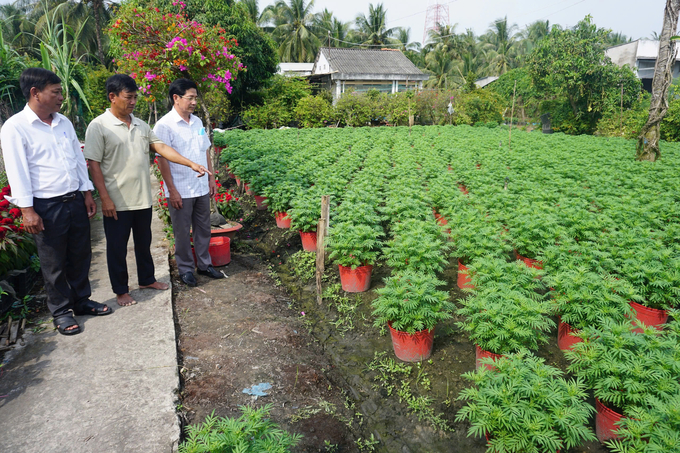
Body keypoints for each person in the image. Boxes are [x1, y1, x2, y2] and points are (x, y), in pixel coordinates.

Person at [0, 67, 110, 336]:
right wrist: (27, 210)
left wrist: (86, 193)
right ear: (36, 93)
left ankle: (81, 300)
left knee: (80, 254)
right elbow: (17, 171)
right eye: (56, 92)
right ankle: (61, 311)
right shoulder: (15, 127)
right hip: (46, 206)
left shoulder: (64, 123)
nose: (61, 97)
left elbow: (75, 159)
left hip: (74, 199)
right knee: (53, 262)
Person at [84, 74, 210, 307]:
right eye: (128, 97)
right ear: (112, 97)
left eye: (135, 97)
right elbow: (94, 164)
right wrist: (104, 198)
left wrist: (191, 163)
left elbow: (161, 148)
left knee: (144, 242)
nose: (133, 102)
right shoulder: (99, 126)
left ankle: (147, 280)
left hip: (142, 197)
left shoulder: (141, 125)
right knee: (117, 247)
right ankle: (121, 290)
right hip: (117, 200)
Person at [154, 79, 224, 287]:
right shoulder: (164, 125)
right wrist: (172, 190)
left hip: (201, 186)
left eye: (195, 98)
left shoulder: (198, 122)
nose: (194, 102)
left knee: (203, 228)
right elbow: (162, 158)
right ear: (176, 98)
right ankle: (185, 269)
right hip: (181, 188)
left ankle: (204, 264)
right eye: (190, 98)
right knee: (182, 232)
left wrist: (212, 178)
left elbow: (205, 150)